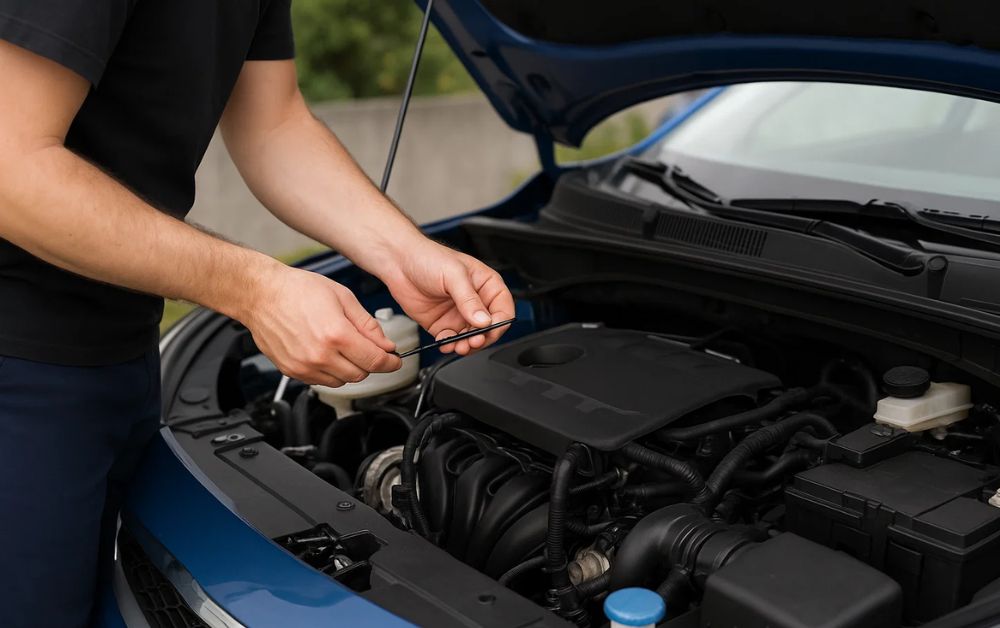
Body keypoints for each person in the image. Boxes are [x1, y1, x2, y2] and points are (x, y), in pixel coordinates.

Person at [0, 1, 515, 626]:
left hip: (116, 352)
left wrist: (404, 253)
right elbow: (11, 166)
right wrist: (255, 288)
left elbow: (273, 123)